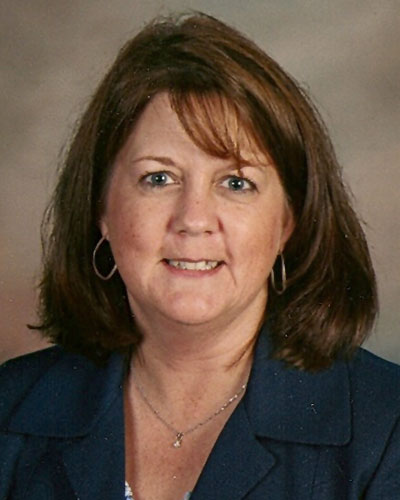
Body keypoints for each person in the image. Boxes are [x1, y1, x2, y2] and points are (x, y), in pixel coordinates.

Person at [1, 12, 399, 500]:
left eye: (236, 183)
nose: (193, 218)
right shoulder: (8, 412)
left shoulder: (387, 428)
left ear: (288, 222)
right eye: (159, 178)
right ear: (101, 208)